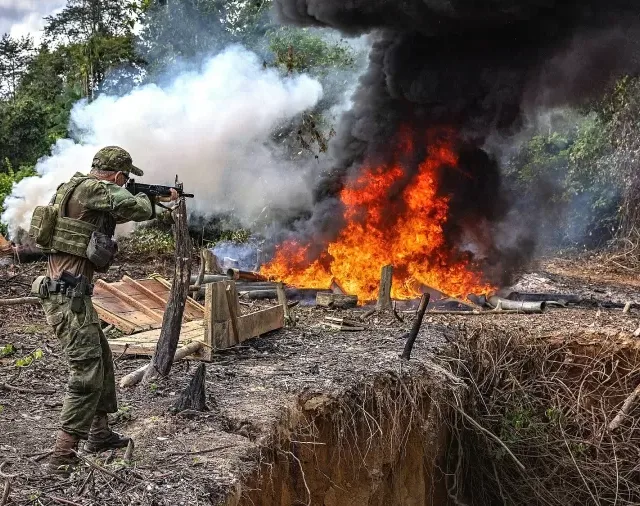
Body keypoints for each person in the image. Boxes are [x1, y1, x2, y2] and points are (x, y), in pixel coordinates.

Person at [30, 146, 177, 475]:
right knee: (85, 373)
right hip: (67, 296)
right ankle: (60, 455)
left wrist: (158, 202)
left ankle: (99, 434)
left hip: (69, 294)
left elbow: (116, 214)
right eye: (125, 177)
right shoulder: (95, 189)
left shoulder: (75, 189)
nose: (125, 181)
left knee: (102, 360)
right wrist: (151, 199)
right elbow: (133, 207)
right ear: (118, 175)